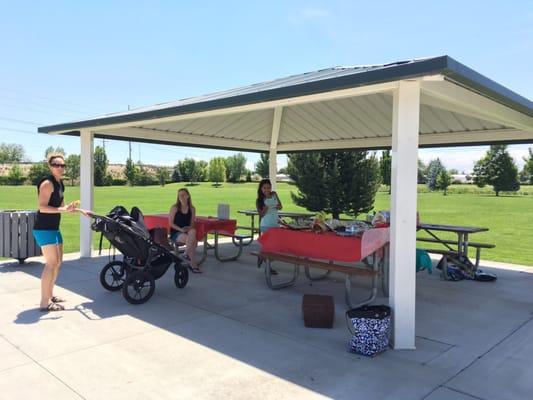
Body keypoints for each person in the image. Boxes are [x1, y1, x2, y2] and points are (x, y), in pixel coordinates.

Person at [33, 154, 86, 312]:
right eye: (56, 165)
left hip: (54, 228)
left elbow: (62, 206)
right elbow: (42, 207)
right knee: (50, 264)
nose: (60, 168)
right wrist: (62, 209)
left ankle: (50, 295)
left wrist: (80, 210)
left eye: (62, 165)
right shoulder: (47, 183)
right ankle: (44, 303)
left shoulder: (60, 183)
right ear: (50, 166)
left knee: (58, 262)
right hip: (43, 228)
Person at [169, 188, 201, 273]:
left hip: (187, 231)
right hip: (176, 232)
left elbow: (192, 223)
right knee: (193, 241)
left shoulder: (192, 208)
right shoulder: (175, 208)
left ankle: (186, 254)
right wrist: (180, 229)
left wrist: (188, 228)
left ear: (188, 196)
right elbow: (171, 223)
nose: (181, 197)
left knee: (193, 231)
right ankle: (193, 265)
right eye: (180, 195)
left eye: (183, 195)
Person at [256, 178, 283, 274]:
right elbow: (261, 215)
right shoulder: (259, 200)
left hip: (275, 224)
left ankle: (261, 255)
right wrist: (265, 208)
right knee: (269, 247)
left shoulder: (274, 194)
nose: (267, 190)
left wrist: (277, 206)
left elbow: (280, 206)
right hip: (266, 225)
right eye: (264, 188)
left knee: (275, 246)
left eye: (268, 187)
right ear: (261, 189)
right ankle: (268, 267)